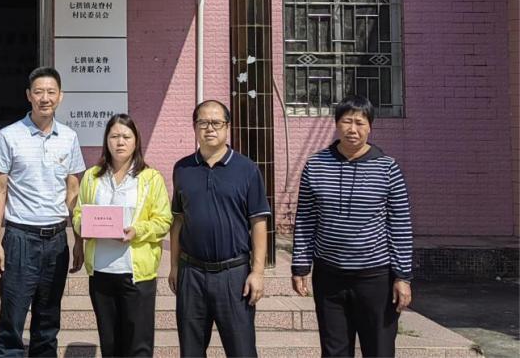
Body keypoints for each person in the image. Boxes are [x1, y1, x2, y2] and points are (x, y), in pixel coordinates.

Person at [291, 94, 414, 358]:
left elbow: (400, 225)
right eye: (347, 122)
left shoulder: (388, 168)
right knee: (334, 350)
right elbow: (305, 219)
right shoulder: (316, 165)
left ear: (370, 127)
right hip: (329, 276)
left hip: (375, 277)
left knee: (379, 350)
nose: (353, 129)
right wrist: (300, 265)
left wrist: (402, 276)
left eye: (360, 122)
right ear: (337, 124)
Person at [0, 66, 86, 358]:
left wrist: (78, 240)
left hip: (56, 240)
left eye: (51, 92)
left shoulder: (69, 137)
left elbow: (73, 190)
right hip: (19, 238)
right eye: (39, 92)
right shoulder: (9, 136)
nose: (45, 98)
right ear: (28, 96)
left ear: (60, 96)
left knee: (48, 321)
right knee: (12, 319)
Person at [168, 99, 270, 358]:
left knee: (242, 351)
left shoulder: (247, 169)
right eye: (203, 122)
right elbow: (178, 220)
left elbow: (258, 222)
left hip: (233, 275)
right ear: (195, 127)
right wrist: (174, 266)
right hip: (191, 273)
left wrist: (257, 272)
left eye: (216, 122)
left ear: (227, 127)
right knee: (191, 351)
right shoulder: (182, 168)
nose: (209, 128)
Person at [71, 113, 172, 357]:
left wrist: (137, 231)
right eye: (114, 136)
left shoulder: (150, 178)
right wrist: (85, 226)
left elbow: (163, 221)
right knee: (110, 344)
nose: (120, 142)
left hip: (136, 275)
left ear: (136, 141)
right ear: (106, 140)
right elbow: (78, 212)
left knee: (138, 345)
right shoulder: (93, 176)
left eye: (126, 136)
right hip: (101, 273)